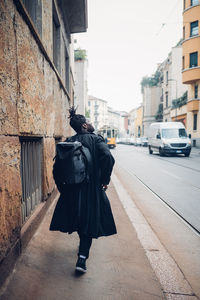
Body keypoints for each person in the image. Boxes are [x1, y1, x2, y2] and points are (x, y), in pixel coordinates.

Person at [49, 107, 117, 273]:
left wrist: (61, 186)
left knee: (80, 219)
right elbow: (108, 157)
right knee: (89, 220)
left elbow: (56, 167)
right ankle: (82, 258)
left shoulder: (69, 141)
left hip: (72, 189)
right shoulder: (96, 140)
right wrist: (104, 180)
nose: (91, 123)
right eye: (89, 121)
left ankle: (82, 251)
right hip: (91, 189)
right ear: (85, 126)